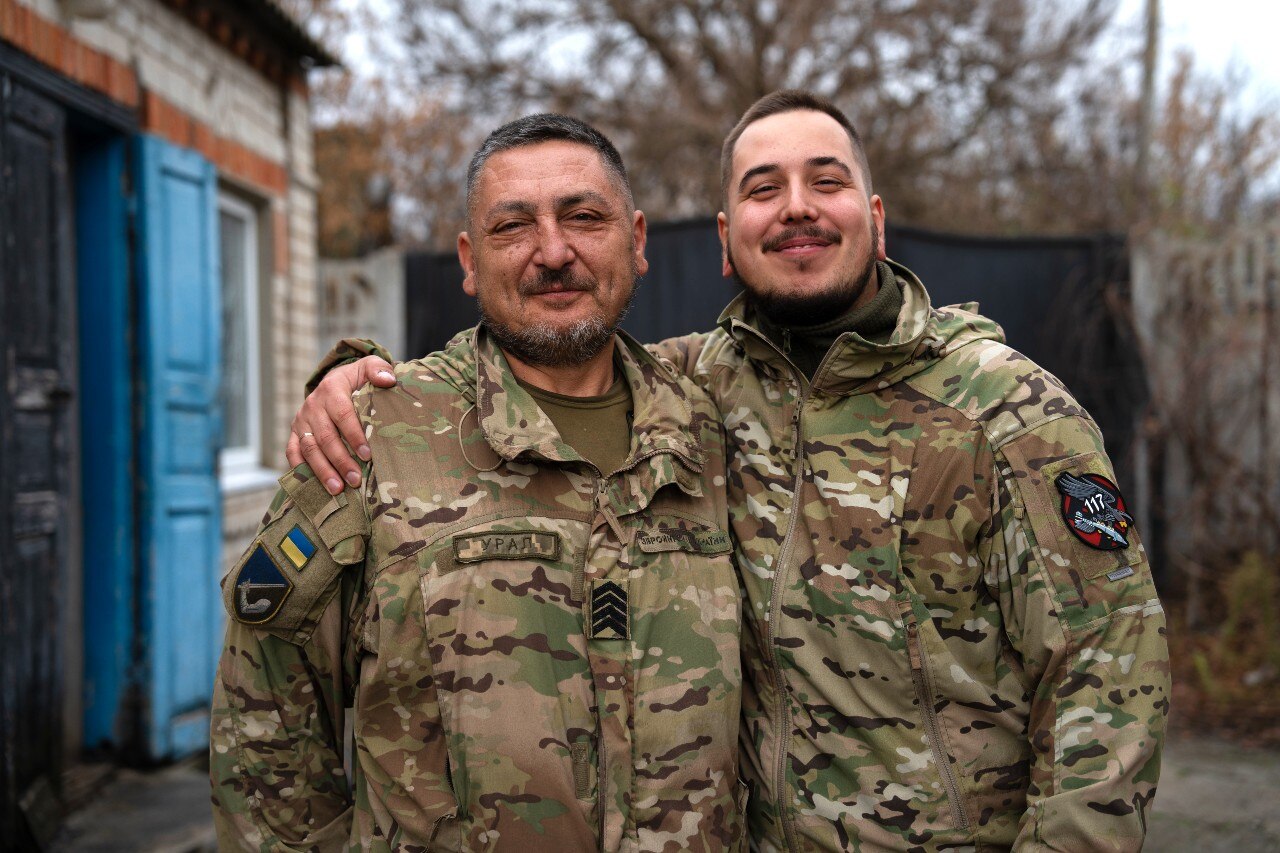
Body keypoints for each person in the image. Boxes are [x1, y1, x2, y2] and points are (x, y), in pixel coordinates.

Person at [292, 91, 1170, 852]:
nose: (796, 208)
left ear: (875, 215)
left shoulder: (1004, 407)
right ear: (725, 238)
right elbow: (540, 361)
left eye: (825, 181)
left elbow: (1110, 668)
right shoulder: (691, 391)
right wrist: (356, 378)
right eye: (762, 188)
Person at [210, 114, 746, 852]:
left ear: (638, 240)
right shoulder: (374, 438)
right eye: (512, 227)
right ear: (468, 258)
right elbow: (263, 723)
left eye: (584, 218)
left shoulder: (713, 431)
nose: (553, 252)